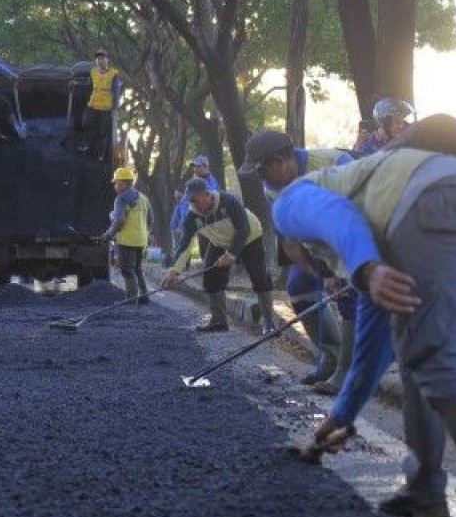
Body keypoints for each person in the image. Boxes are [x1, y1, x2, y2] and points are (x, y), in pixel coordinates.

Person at [275, 115, 456, 517]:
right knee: (420, 350)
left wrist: (365, 268)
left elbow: (335, 215)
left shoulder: (289, 204)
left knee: (435, 349)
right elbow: (372, 339)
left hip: (431, 204)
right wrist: (344, 413)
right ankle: (424, 491)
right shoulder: (377, 226)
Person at [241, 130, 355, 392]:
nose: (261, 179)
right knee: (299, 286)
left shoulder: (335, 165)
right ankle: (330, 356)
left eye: (262, 170)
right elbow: (292, 235)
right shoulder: (273, 188)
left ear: (280, 160)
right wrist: (313, 268)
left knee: (350, 291)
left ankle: (349, 372)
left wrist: (332, 271)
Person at [161, 178, 274, 333]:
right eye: (190, 201)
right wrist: (174, 271)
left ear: (206, 194)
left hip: (250, 237)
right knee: (210, 277)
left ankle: (269, 322)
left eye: (195, 200)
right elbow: (185, 245)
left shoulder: (228, 201)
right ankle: (219, 321)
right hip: (220, 241)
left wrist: (231, 255)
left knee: (259, 277)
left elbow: (243, 229)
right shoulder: (192, 218)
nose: (193, 204)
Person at [98, 167, 151, 304]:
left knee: (127, 270)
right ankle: (144, 297)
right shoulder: (144, 198)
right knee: (137, 269)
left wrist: (109, 234)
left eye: (117, 183)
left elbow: (120, 220)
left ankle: (131, 300)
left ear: (125, 183)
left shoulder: (120, 199)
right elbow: (150, 219)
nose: (115, 186)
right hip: (141, 240)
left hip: (127, 241)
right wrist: (144, 232)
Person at [80, 49, 123, 160]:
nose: (100, 61)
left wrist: (115, 109)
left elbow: (117, 92)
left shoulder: (114, 74)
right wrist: (76, 85)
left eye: (102, 58)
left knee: (103, 132)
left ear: (107, 60)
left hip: (106, 107)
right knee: (86, 123)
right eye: (98, 59)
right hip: (92, 105)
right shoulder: (93, 72)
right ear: (96, 61)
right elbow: (88, 86)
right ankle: (88, 146)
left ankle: (102, 154)